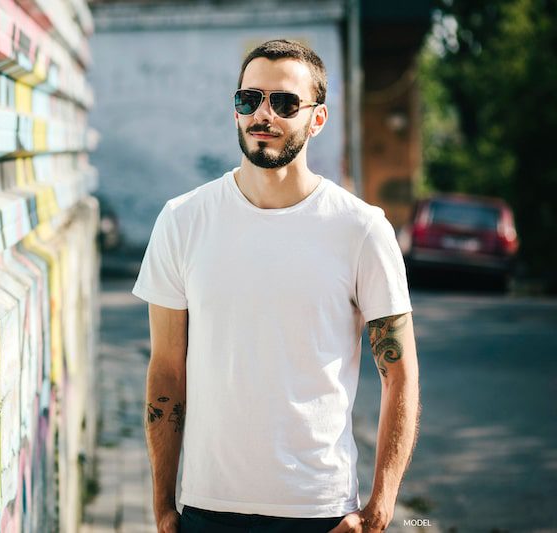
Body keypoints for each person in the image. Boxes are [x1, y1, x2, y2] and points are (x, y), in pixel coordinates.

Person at [131, 39, 421, 533]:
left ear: (318, 119)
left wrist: (379, 508)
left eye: (284, 103)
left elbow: (400, 374)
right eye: (249, 100)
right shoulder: (183, 220)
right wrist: (163, 504)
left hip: (319, 511)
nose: (262, 114)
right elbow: (166, 371)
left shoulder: (361, 229)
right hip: (208, 508)